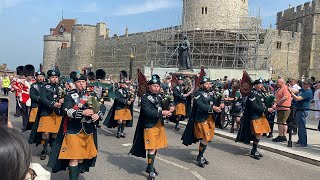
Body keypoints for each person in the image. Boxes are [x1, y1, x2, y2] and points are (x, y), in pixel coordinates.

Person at [48, 73, 106, 180]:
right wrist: (82, 113)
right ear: (75, 83)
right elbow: (66, 110)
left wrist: (97, 115)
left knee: (81, 159)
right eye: (79, 82)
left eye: (83, 82)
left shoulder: (91, 94)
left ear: (86, 83)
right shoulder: (69, 94)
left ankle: (76, 177)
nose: (81, 84)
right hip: (73, 130)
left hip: (87, 130)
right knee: (73, 158)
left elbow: (101, 107)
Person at [129, 74, 174, 180]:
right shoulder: (144, 98)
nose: (156, 88)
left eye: (158, 86)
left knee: (156, 147)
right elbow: (148, 111)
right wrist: (162, 112)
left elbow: (166, 104)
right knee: (151, 148)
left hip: (159, 124)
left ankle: (150, 166)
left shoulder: (160, 96)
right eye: (154, 86)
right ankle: (150, 170)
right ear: (149, 86)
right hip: (149, 125)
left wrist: (171, 107)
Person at [182, 76, 223, 167]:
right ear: (201, 84)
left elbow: (214, 102)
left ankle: (201, 155)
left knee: (207, 138)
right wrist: (212, 108)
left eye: (209, 83)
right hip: (201, 118)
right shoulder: (197, 93)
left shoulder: (211, 93)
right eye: (206, 83)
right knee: (205, 137)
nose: (208, 85)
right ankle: (200, 156)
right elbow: (200, 105)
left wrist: (221, 103)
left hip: (210, 118)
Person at [236, 79, 273, 160]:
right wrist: (266, 110)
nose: (261, 85)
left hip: (260, 116)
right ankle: (254, 149)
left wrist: (265, 93)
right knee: (258, 133)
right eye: (259, 84)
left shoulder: (260, 93)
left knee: (260, 133)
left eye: (261, 84)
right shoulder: (252, 94)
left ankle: (254, 149)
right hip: (254, 116)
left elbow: (266, 101)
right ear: (255, 85)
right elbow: (254, 106)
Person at [37, 69, 64, 160]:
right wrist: (53, 104)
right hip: (46, 112)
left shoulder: (62, 87)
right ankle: (44, 150)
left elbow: (66, 97)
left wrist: (63, 100)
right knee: (45, 132)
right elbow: (43, 99)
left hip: (58, 113)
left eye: (56, 77)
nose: (54, 79)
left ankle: (53, 150)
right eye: (52, 77)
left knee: (55, 133)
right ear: (49, 78)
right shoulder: (44, 87)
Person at [104, 70, 134, 138]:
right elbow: (117, 99)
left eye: (124, 83)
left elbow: (130, 97)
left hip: (126, 108)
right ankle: (118, 132)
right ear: (119, 84)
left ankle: (121, 132)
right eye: (121, 83)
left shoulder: (127, 90)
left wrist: (132, 99)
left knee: (124, 121)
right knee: (119, 120)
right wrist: (126, 102)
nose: (123, 84)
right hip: (119, 107)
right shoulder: (117, 91)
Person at [288, 78, 313, 148]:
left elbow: (297, 98)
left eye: (304, 83)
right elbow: (296, 90)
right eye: (303, 83)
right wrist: (289, 88)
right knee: (300, 126)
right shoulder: (303, 89)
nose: (303, 84)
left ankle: (303, 143)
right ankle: (300, 140)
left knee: (302, 127)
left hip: (303, 110)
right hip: (299, 109)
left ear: (309, 85)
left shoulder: (308, 92)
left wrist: (291, 93)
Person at [272, 78, 292, 142]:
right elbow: (278, 97)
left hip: (284, 108)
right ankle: (283, 135)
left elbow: (285, 97)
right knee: (283, 122)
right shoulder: (279, 89)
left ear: (282, 82)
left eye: (278, 82)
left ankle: (280, 136)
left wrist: (278, 103)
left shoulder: (285, 88)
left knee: (280, 122)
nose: (277, 83)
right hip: (280, 108)